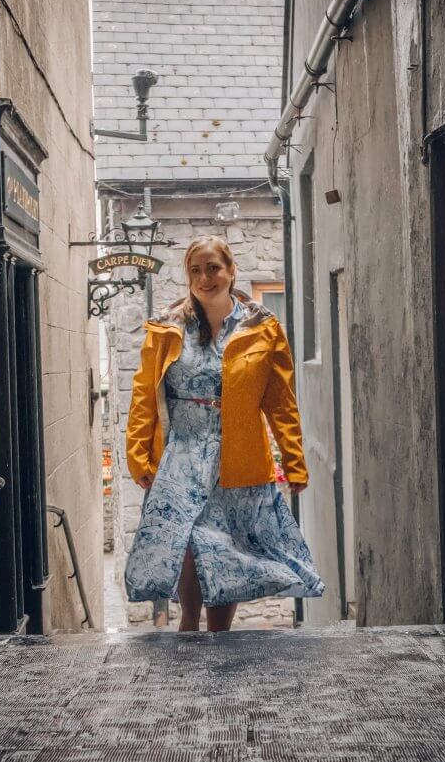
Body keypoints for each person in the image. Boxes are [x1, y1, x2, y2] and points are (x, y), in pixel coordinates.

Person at [124, 235, 325, 632]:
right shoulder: (167, 328)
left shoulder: (263, 329)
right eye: (196, 270)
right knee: (186, 544)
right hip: (181, 451)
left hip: (237, 454)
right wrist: (138, 454)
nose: (205, 277)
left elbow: (280, 401)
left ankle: (219, 634)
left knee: (223, 548)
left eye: (213, 267)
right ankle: (187, 625)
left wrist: (294, 461)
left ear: (231, 272)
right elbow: (144, 395)